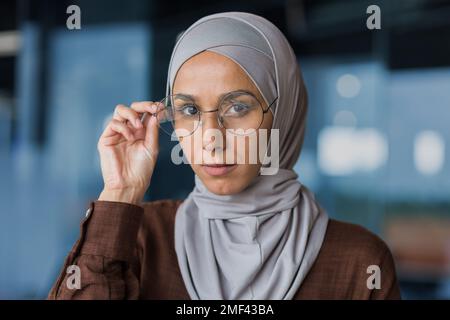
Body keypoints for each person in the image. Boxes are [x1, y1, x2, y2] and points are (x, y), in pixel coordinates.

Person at [48, 12, 400, 300]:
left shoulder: (359, 263)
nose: (211, 138)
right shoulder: (140, 237)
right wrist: (120, 193)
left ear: (285, 113)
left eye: (238, 107)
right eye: (188, 109)